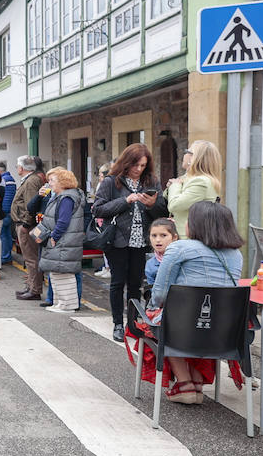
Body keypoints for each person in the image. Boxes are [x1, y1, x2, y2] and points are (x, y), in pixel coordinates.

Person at [142, 201, 246, 405]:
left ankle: (185, 384)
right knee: (204, 319)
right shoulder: (237, 254)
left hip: (183, 328)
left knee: (162, 320)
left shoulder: (180, 248)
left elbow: (161, 293)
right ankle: (197, 382)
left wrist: (151, 306)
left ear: (196, 224)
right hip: (225, 331)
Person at [94, 144, 168, 342]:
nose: (138, 169)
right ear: (126, 162)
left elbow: (162, 211)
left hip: (142, 240)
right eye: (135, 164)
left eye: (143, 165)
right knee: (117, 283)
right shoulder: (111, 182)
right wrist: (125, 201)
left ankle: (133, 324)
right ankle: (117, 323)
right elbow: (98, 209)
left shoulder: (151, 181)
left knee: (136, 284)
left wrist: (153, 204)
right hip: (117, 240)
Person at [32, 168, 86, 313]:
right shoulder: (64, 196)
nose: (49, 183)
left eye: (52, 180)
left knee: (63, 274)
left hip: (62, 241)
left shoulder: (67, 198)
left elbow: (63, 221)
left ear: (63, 182)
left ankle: (66, 305)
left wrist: (54, 237)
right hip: (63, 240)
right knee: (58, 273)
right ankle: (60, 303)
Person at [165, 140, 223, 236]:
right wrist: (172, 186)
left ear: (195, 157)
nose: (184, 155)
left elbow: (174, 205)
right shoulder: (190, 178)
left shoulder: (201, 182)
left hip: (190, 238)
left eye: (188, 152)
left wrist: (175, 186)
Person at [11, 156, 46, 300]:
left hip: (26, 225)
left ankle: (35, 289)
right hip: (24, 223)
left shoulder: (31, 181)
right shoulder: (30, 180)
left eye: (17, 166)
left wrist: (26, 224)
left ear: (22, 167)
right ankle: (31, 286)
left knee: (31, 258)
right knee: (29, 258)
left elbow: (30, 205)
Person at [144, 218, 179, 298]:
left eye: (163, 235)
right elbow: (152, 292)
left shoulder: (183, 258)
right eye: (154, 236)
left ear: (174, 237)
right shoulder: (150, 264)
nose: (158, 240)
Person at [0, 162, 17, 266]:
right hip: (9, 210)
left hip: (4, 211)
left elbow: (5, 198)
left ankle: (4, 256)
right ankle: (7, 256)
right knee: (6, 234)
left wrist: (2, 210)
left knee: (2, 235)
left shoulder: (3, 180)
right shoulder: (11, 179)